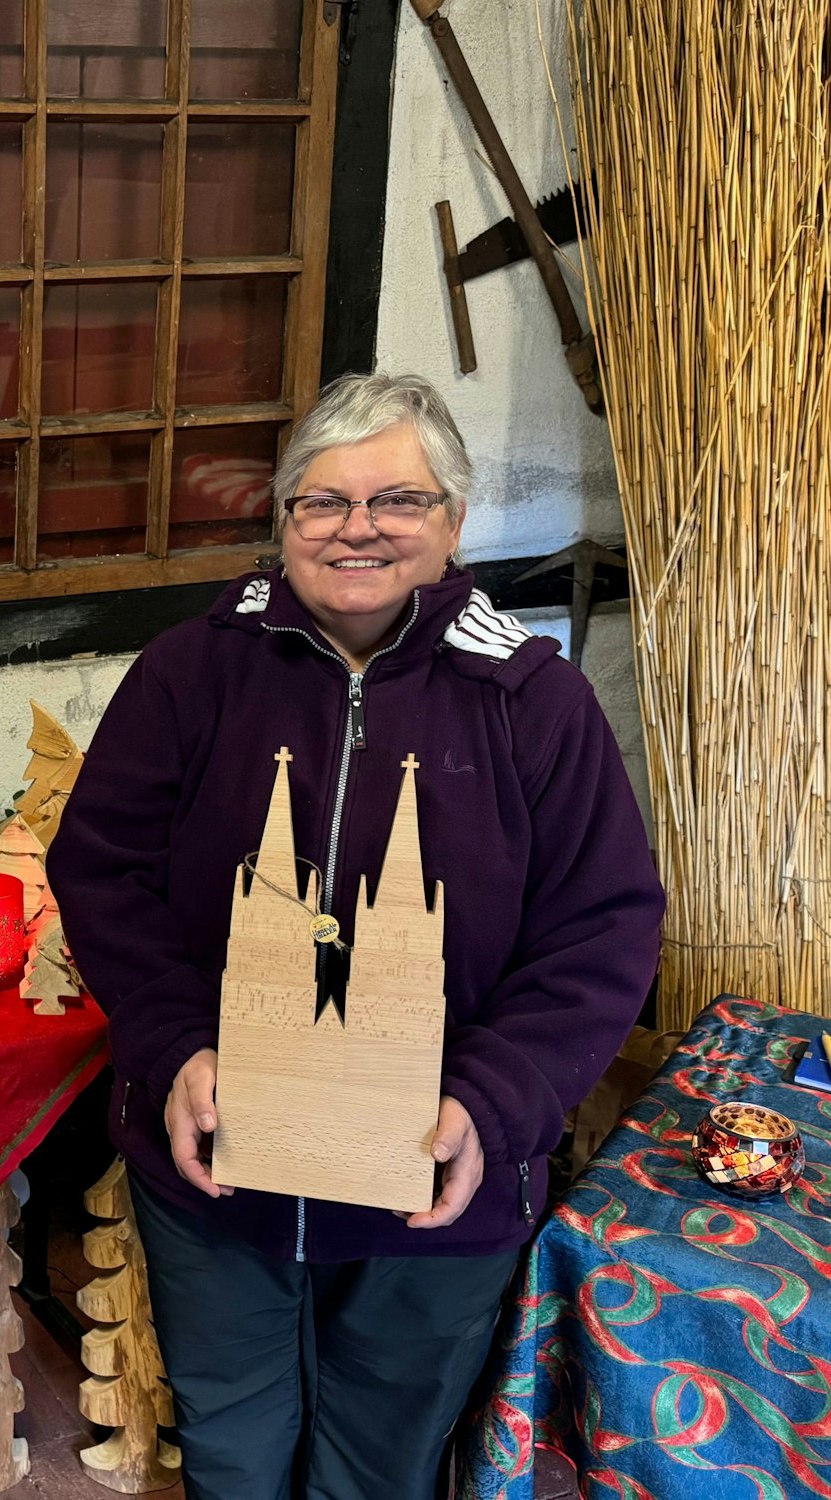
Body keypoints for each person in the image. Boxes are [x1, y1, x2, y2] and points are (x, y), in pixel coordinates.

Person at [47, 372, 664, 1500]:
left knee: (380, 1459)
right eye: (319, 502)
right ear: (281, 522)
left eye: (396, 500)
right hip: (218, 1167)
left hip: (434, 1187)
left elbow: (599, 929)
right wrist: (175, 1045)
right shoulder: (192, 671)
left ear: (452, 519)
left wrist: (492, 1102)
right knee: (229, 1441)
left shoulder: (530, 699)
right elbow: (102, 870)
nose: (357, 529)